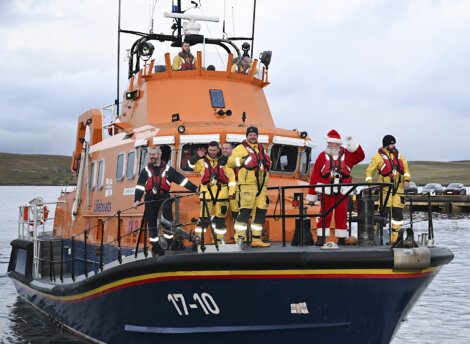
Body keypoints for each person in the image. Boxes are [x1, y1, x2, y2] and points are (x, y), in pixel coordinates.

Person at [134, 146, 198, 255]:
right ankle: (156, 247)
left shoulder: (168, 170)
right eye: (150, 154)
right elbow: (140, 186)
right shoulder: (145, 170)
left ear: (159, 155)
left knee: (168, 222)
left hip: (164, 198)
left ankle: (168, 243)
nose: (151, 157)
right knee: (152, 224)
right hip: (150, 199)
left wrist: (195, 188)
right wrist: (137, 199)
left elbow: (182, 180)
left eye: (153, 154)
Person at [307, 130, 365, 245]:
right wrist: (312, 194)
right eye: (329, 143)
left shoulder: (348, 155)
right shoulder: (322, 156)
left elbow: (360, 156)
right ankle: (321, 238)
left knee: (341, 214)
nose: (330, 145)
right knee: (324, 214)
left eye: (332, 143)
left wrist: (353, 144)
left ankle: (342, 238)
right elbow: (315, 175)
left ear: (339, 144)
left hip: (342, 190)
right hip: (326, 190)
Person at [227, 126, 271, 247]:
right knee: (245, 211)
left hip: (262, 186)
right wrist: (243, 160)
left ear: (257, 136)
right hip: (247, 185)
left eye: (254, 134)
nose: (253, 136)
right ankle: (239, 239)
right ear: (247, 136)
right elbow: (230, 162)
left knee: (261, 211)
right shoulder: (239, 149)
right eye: (250, 134)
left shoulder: (262, 148)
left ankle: (256, 239)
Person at [365, 135, 411, 244]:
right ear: (386, 145)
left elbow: (406, 169)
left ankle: (396, 238)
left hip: (399, 190)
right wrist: (370, 184)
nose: (393, 145)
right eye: (391, 144)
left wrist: (407, 180)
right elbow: (368, 172)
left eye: (394, 143)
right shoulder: (378, 157)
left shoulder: (399, 155)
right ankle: (376, 235)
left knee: (398, 215)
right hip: (386, 189)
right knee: (383, 213)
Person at [188, 141, 236, 244]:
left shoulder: (225, 162)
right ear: (208, 150)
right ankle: (198, 240)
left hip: (222, 196)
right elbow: (190, 165)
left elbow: (232, 179)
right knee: (203, 219)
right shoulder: (201, 162)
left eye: (214, 150)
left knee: (220, 221)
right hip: (206, 195)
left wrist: (231, 193)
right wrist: (197, 156)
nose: (212, 152)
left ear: (218, 150)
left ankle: (219, 242)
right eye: (210, 150)